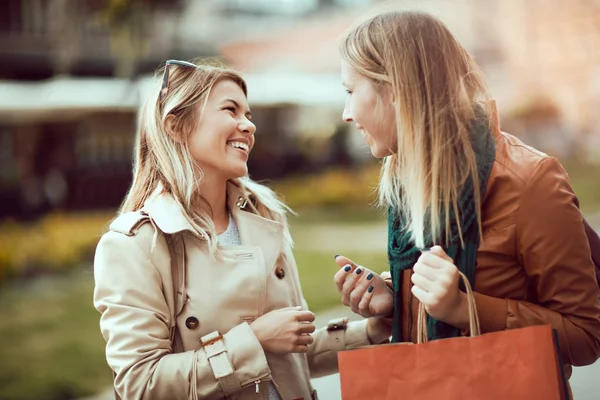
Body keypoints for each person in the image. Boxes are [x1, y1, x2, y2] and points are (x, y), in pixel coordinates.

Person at [93, 60, 391, 400]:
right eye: (230, 109)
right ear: (176, 126)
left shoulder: (265, 219)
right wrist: (254, 340)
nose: (248, 126)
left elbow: (291, 354)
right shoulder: (135, 244)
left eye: (248, 115)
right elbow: (141, 384)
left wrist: (373, 329)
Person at [332, 9, 600, 382]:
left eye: (349, 91)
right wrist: (394, 303)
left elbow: (586, 336)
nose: (346, 113)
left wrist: (464, 307)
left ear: (395, 89)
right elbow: (433, 312)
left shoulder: (531, 181)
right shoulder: (407, 177)